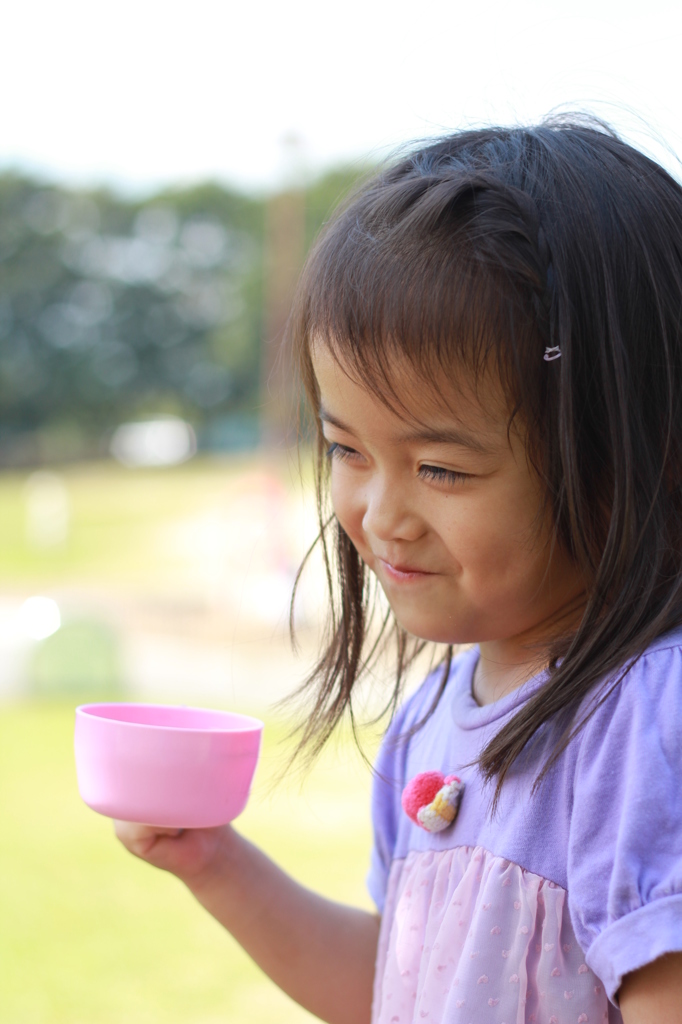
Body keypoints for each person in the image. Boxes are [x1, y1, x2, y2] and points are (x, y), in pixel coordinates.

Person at [115, 119, 682, 1024]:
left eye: (441, 469)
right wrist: (214, 862)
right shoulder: (430, 719)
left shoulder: (646, 725)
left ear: (628, 459)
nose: (379, 516)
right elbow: (402, 986)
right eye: (346, 448)